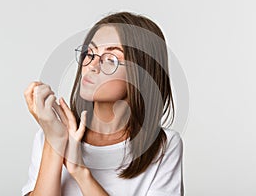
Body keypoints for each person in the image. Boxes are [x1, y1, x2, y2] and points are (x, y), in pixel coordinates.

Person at [22, 11, 184, 196]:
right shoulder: (49, 135)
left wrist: (81, 173)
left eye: (110, 59)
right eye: (89, 53)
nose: (91, 65)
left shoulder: (164, 146)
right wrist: (55, 142)